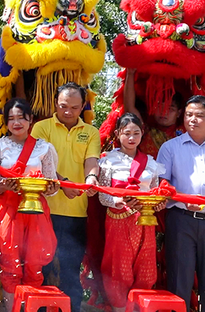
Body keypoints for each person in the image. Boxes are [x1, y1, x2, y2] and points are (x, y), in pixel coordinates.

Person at [31, 82, 101, 312]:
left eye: (74, 107)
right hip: (43, 210)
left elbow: (92, 161)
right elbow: (37, 164)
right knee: (40, 267)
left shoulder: (91, 132)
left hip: (75, 212)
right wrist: (62, 183)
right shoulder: (41, 128)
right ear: (55, 104)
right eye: (63, 106)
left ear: (83, 107)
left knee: (71, 270)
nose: (68, 112)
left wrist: (91, 178)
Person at [0, 98, 59, 311]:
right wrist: (5, 187)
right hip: (7, 210)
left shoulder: (44, 148)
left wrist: (51, 189)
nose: (16, 123)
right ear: (6, 122)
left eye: (21, 118)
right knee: (10, 266)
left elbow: (50, 182)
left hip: (35, 212)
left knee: (34, 267)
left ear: (31, 120)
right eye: (11, 119)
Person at [99, 112, 164, 312]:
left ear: (142, 134)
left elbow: (154, 192)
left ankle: (139, 307)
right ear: (118, 133)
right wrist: (118, 200)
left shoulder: (151, 163)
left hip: (144, 221)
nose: (131, 138)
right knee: (119, 269)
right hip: (118, 219)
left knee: (146, 268)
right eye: (127, 133)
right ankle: (119, 308)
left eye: (136, 133)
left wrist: (157, 204)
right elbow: (102, 196)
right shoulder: (108, 161)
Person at [158, 95, 205, 311]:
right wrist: (181, 199)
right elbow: (162, 184)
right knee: (179, 282)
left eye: (199, 115)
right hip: (181, 220)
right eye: (189, 115)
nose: (193, 119)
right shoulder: (170, 148)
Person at [123, 69, 184, 157]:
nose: (163, 112)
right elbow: (129, 108)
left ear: (179, 113)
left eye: (170, 108)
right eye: (159, 106)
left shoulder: (188, 134)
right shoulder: (145, 132)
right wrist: (130, 73)